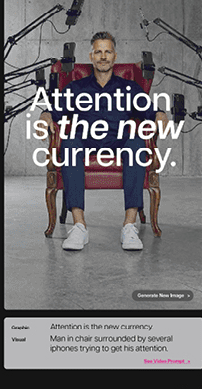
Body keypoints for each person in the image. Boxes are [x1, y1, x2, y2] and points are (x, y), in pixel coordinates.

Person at [52, 32, 162, 253]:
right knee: (70, 144)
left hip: (118, 139)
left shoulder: (129, 87)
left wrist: (159, 114)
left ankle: (129, 226)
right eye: (98, 52)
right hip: (86, 140)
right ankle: (79, 226)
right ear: (91, 56)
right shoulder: (77, 87)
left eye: (108, 52)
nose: (103, 56)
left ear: (115, 56)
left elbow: (150, 111)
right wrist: (46, 114)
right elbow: (56, 111)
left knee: (136, 144)